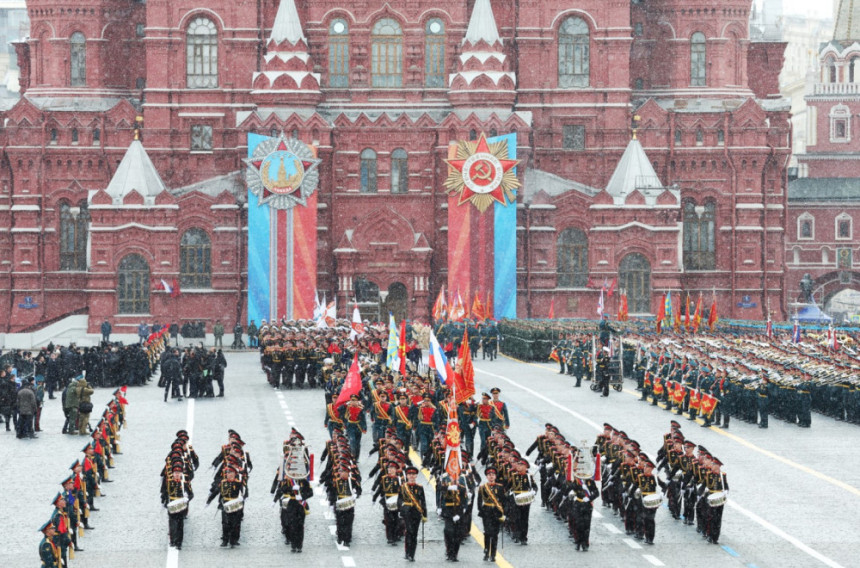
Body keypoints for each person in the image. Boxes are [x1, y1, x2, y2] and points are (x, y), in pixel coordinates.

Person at [208, 466, 246, 548]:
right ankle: (225, 540)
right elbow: (216, 492)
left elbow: (243, 493)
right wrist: (209, 500)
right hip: (225, 504)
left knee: (235, 523)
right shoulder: (223, 482)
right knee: (225, 523)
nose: (229, 475)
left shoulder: (238, 483)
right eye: (228, 473)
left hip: (235, 505)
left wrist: (242, 498)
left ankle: (233, 540)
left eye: (231, 473)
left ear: (234, 474)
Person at [161, 463, 193, 550]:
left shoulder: (184, 484)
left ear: (181, 474)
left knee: (180, 524)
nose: (177, 474)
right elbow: (164, 492)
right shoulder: (169, 482)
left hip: (181, 506)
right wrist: (164, 501)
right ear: (173, 474)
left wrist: (187, 498)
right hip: (172, 504)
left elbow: (191, 494)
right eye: (175, 473)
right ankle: (172, 541)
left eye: (179, 473)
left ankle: (179, 542)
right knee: (172, 523)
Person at [398, 465, 426, 562]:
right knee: (409, 531)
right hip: (407, 512)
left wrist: (424, 515)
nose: (411, 476)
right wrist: (401, 510)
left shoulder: (420, 488)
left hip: (416, 513)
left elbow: (423, 501)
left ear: (416, 476)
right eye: (409, 474)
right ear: (407, 475)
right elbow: (399, 499)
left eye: (413, 474)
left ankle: (411, 554)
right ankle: (408, 553)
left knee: (414, 533)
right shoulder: (403, 487)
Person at [477, 466, 505, 561]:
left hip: (497, 512)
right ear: (486, 476)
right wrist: (482, 511)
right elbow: (479, 501)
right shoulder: (483, 487)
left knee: (495, 534)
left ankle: (493, 554)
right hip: (487, 512)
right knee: (487, 532)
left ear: (495, 476)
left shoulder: (500, 487)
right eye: (489, 475)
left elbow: (504, 501)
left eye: (493, 475)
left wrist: (504, 513)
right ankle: (486, 550)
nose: (491, 476)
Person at [439, 479, 468, 561]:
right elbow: (440, 491)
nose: (455, 479)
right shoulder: (445, 486)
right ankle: (449, 551)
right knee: (449, 532)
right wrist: (448, 487)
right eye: (452, 477)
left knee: (457, 534)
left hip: (458, 513)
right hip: (448, 513)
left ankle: (455, 554)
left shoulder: (462, 488)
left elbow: (464, 501)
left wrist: (460, 513)